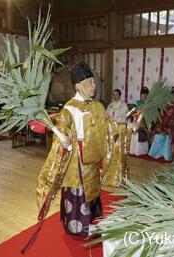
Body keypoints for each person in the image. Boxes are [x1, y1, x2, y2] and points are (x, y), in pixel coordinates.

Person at [36, 62, 118, 237]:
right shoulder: (69, 108)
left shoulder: (97, 106)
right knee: (77, 190)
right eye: (90, 82)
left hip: (93, 156)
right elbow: (62, 128)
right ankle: (78, 227)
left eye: (94, 82)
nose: (94, 85)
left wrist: (128, 127)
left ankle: (92, 219)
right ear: (78, 85)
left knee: (93, 188)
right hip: (77, 158)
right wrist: (62, 138)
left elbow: (109, 127)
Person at [148, 87, 174, 161]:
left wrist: (169, 129)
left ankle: (167, 156)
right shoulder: (164, 107)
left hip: (173, 130)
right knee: (158, 134)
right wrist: (162, 127)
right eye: (169, 96)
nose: (171, 98)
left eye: (173, 97)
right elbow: (160, 120)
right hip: (163, 128)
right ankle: (155, 154)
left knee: (168, 136)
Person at [129, 87, 150, 156]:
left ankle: (140, 151)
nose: (144, 97)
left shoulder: (149, 105)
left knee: (137, 129)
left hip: (145, 124)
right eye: (142, 95)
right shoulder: (137, 103)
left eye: (146, 95)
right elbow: (133, 114)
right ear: (140, 95)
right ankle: (132, 151)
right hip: (136, 122)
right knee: (132, 127)